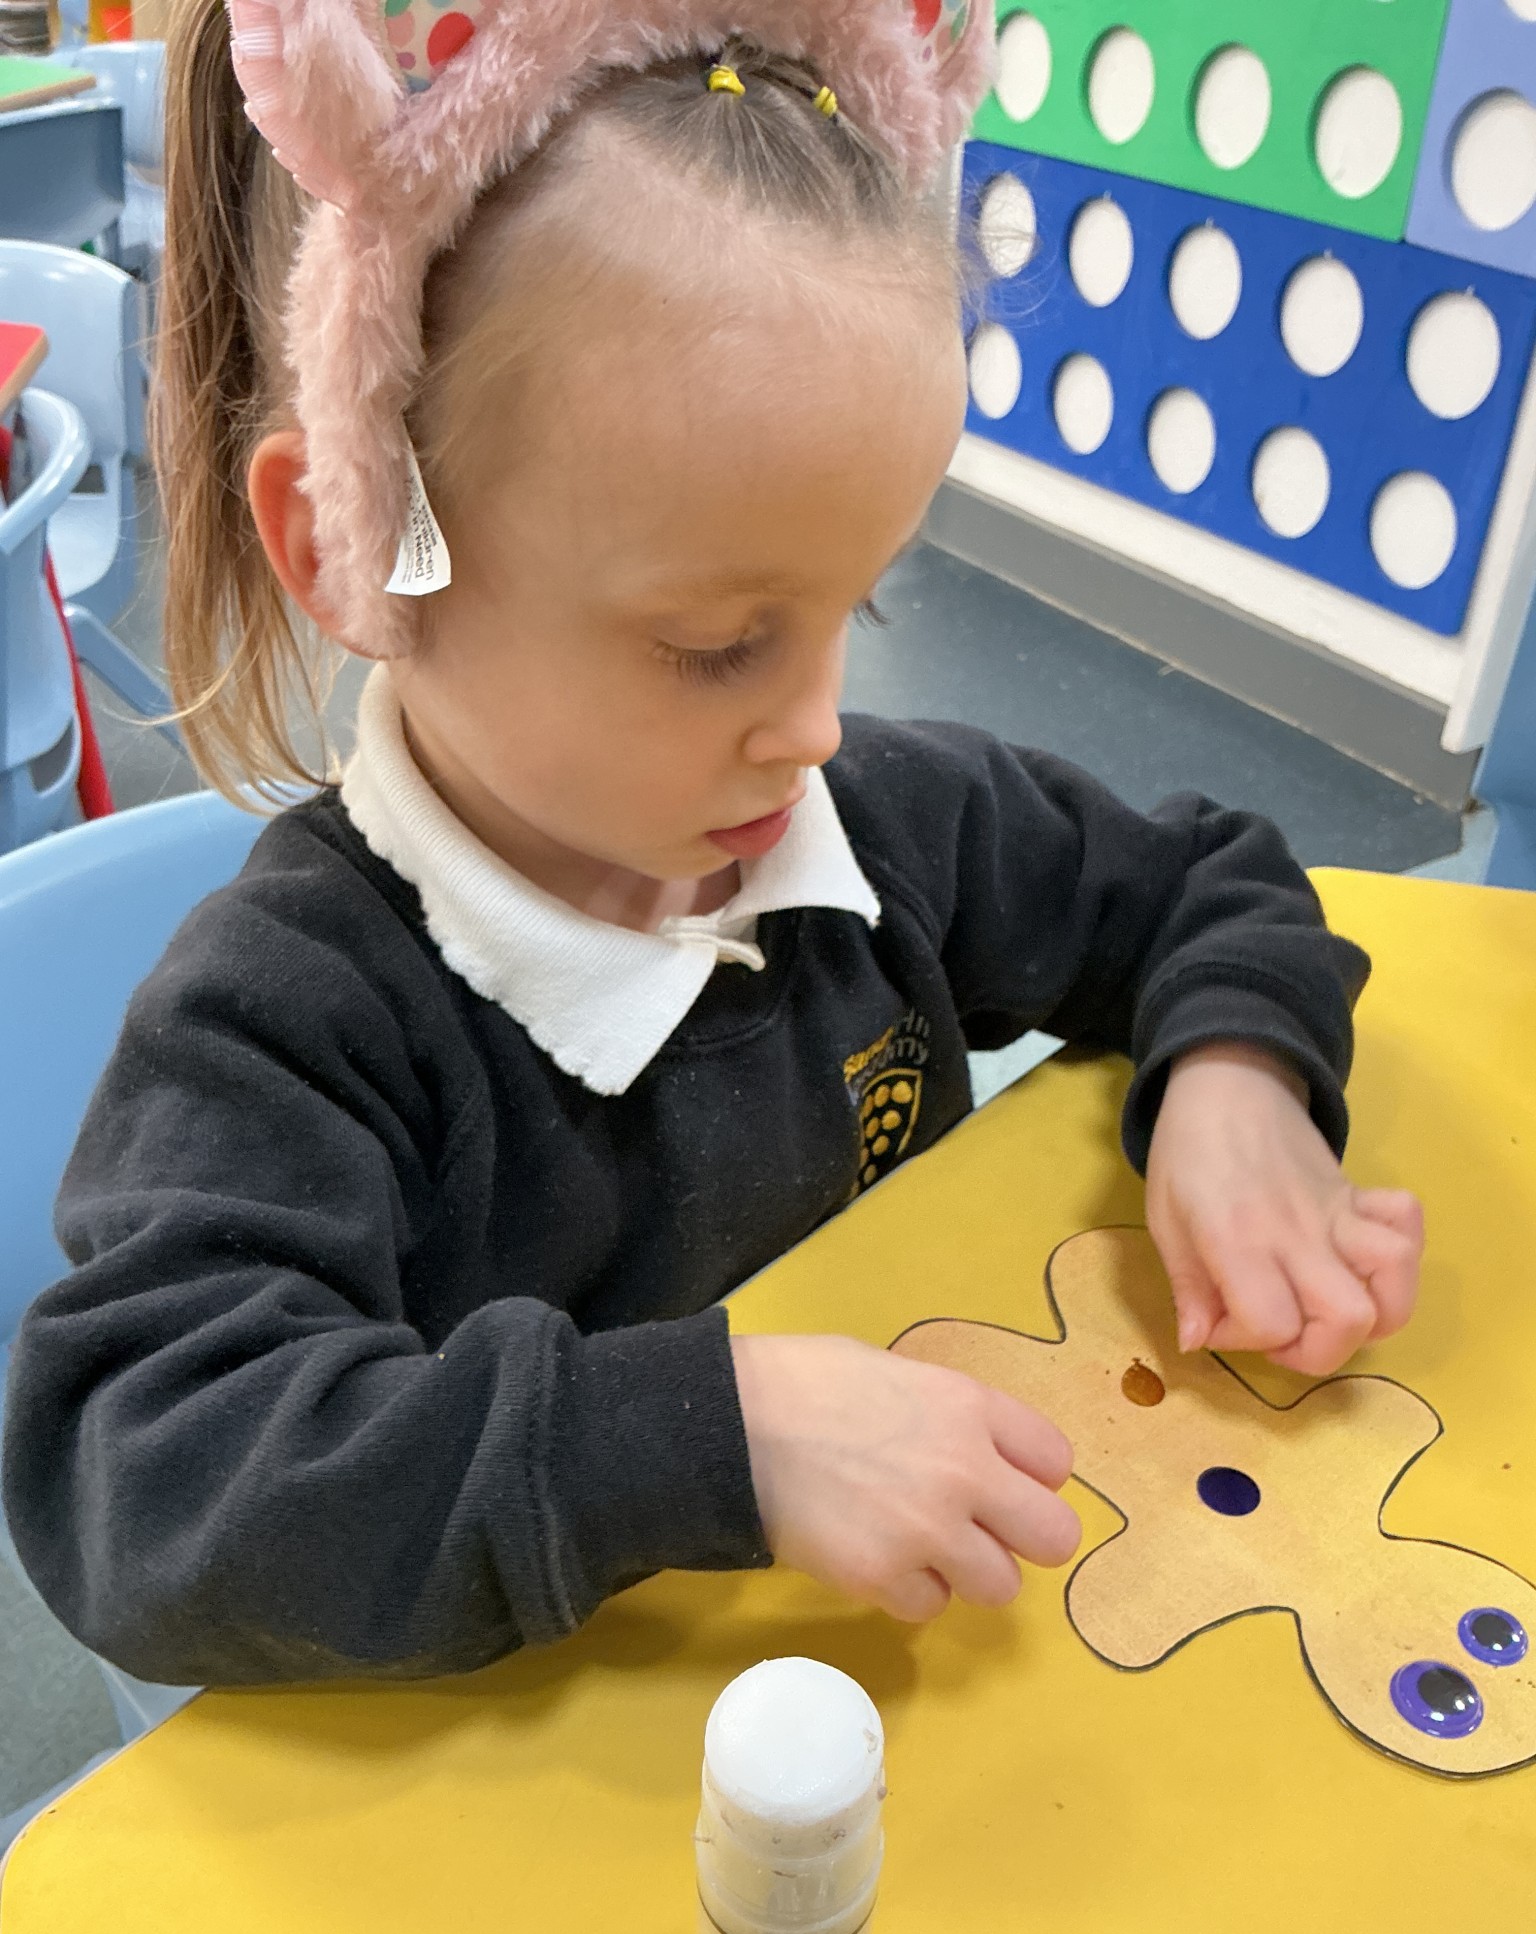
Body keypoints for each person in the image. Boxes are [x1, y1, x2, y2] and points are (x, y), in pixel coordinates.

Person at [2, 0, 1422, 1684]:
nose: (817, 724)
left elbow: (1206, 881)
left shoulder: (874, 823)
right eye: (718, 641)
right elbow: (140, 1482)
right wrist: (707, 1440)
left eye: (857, 605)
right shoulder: (292, 1018)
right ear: (358, 550)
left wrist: (1240, 1085)